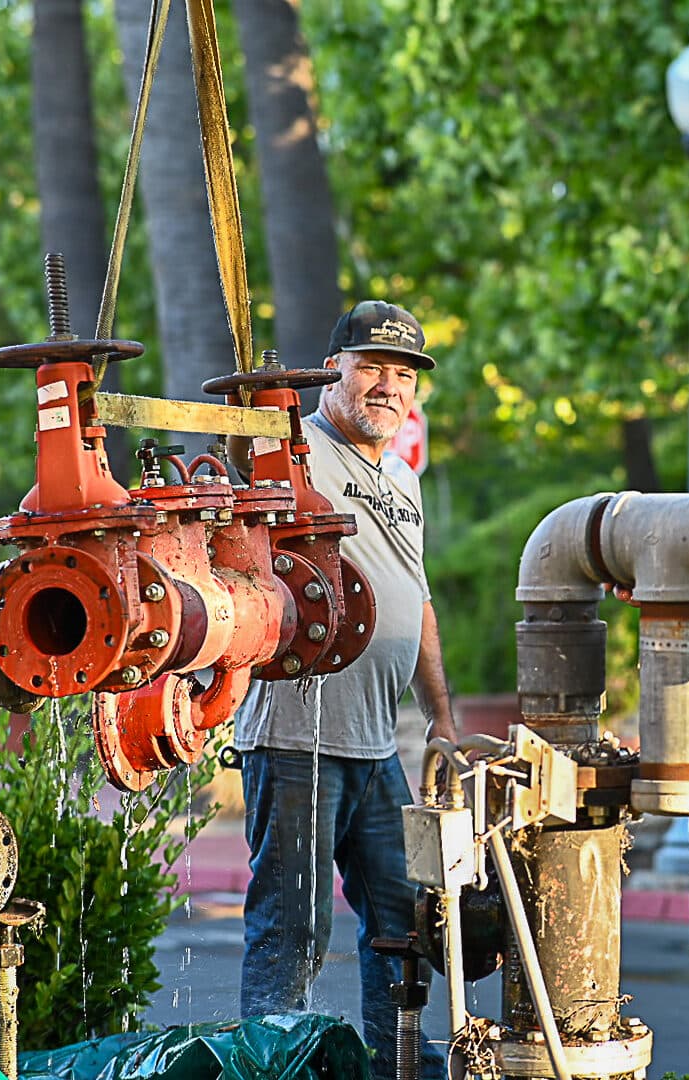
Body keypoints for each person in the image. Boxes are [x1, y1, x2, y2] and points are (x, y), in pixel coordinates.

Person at [233, 300, 456, 1080]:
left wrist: (442, 718)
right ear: (332, 372)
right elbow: (251, 454)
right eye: (372, 368)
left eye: (403, 375)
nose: (389, 387)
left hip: (374, 745)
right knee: (291, 931)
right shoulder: (295, 452)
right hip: (297, 739)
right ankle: (270, 1067)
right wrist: (263, 415)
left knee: (402, 919)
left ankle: (400, 1063)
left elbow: (415, 597)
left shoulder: (401, 477)